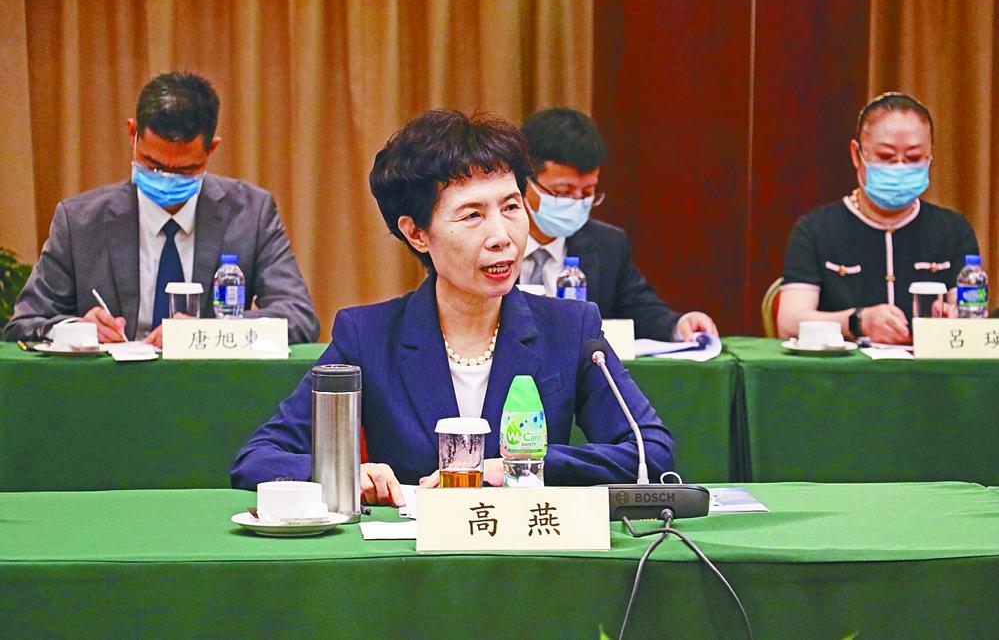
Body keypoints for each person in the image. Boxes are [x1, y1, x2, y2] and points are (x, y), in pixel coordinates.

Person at [231, 109, 674, 504]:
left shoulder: (570, 328)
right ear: (417, 233)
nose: (502, 236)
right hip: (412, 557)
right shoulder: (367, 336)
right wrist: (344, 473)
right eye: (472, 215)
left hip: (526, 553)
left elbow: (650, 453)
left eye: (511, 207)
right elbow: (258, 458)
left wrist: (523, 468)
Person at [4, 72, 319, 346]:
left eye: (184, 170)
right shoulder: (80, 221)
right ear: (133, 134)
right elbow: (25, 324)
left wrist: (202, 334)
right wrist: (77, 330)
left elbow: (299, 317)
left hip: (211, 387)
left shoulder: (251, 214)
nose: (166, 179)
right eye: (153, 166)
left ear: (211, 149)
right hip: (108, 388)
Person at [778, 92, 979, 344]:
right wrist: (857, 322)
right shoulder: (815, 230)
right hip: (846, 367)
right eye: (885, 157)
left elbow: (971, 317)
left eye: (914, 158)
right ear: (856, 155)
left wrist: (955, 319)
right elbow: (789, 322)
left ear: (930, 156)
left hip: (928, 367)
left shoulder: (954, 231)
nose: (900, 167)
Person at [518, 107, 717, 341]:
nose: (576, 202)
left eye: (588, 192)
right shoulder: (491, 242)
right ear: (524, 181)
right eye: (563, 192)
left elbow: (642, 311)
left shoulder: (608, 244)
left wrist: (680, 324)